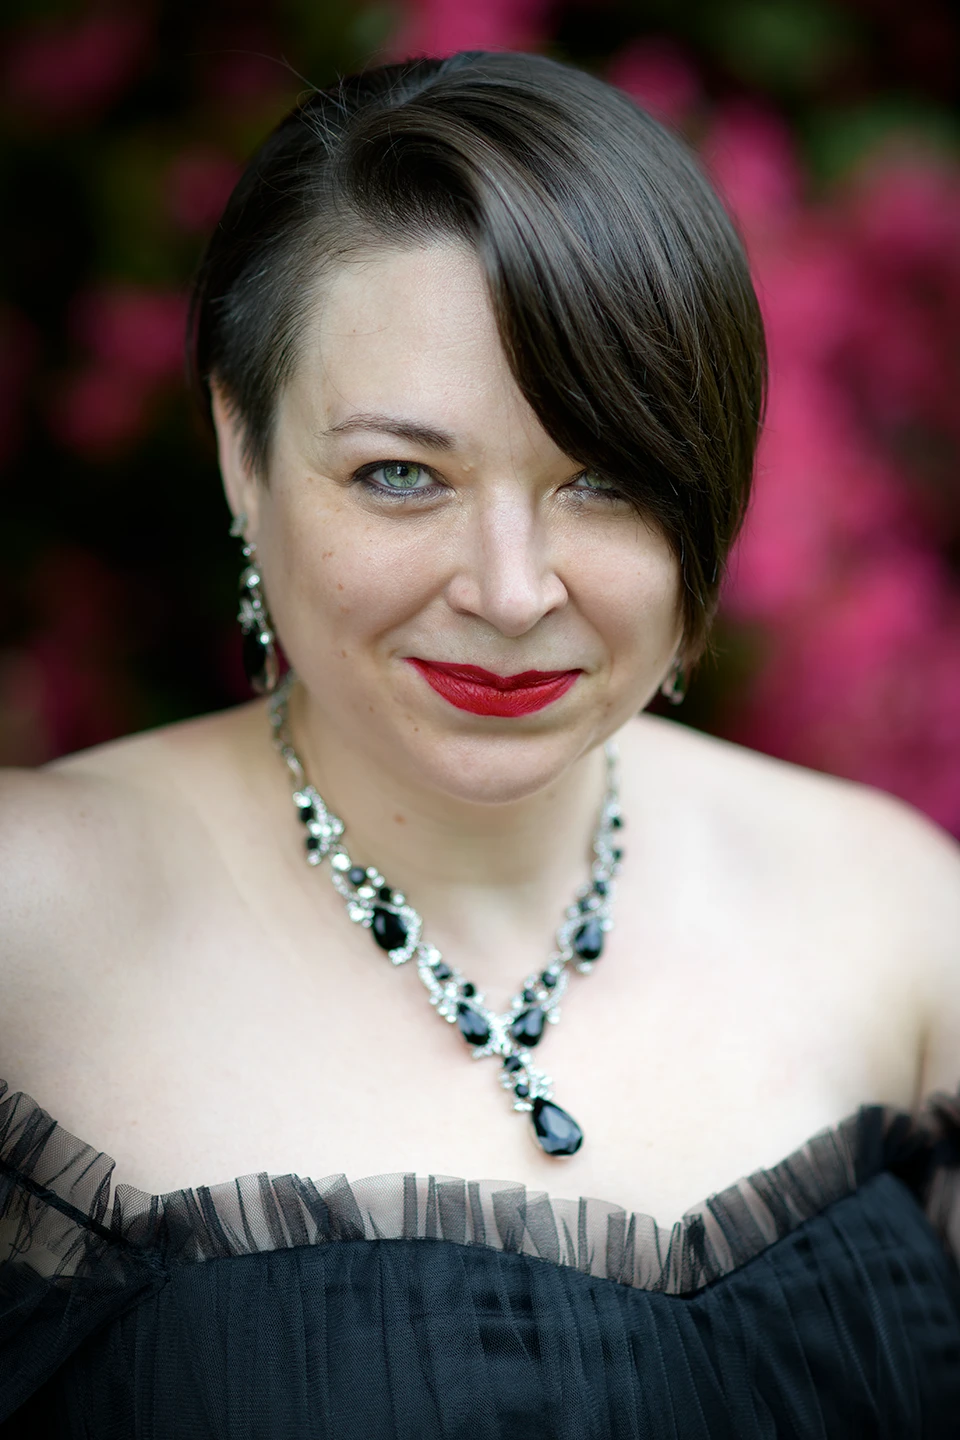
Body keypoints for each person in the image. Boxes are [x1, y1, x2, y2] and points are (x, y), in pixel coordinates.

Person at [1, 48, 959, 1438]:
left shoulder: (894, 910)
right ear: (241, 452)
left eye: (604, 478)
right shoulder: (32, 930)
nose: (512, 591)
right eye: (403, 475)